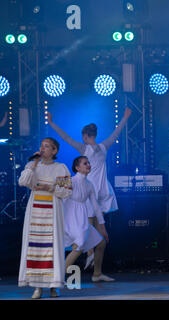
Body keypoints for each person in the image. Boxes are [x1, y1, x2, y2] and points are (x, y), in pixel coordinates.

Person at [47, 108, 131, 269]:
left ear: (85, 136)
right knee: (92, 224)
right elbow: (117, 132)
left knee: (89, 224)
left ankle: (91, 256)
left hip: (88, 189)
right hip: (102, 189)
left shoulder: (84, 149)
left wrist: (52, 123)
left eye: (83, 137)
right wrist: (125, 117)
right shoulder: (104, 146)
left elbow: (66, 138)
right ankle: (92, 257)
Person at [18, 137, 72, 299]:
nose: (42, 149)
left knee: (53, 247)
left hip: (53, 211)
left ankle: (54, 286)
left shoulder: (60, 168)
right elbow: (22, 182)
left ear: (54, 151)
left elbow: (67, 192)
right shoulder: (32, 166)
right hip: (35, 212)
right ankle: (37, 287)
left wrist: (50, 187)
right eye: (41, 146)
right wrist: (34, 164)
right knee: (35, 248)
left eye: (47, 147)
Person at [63, 156, 114, 282]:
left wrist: (102, 227)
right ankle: (59, 275)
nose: (89, 165)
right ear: (77, 167)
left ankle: (97, 274)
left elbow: (96, 207)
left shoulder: (89, 184)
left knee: (101, 242)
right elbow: (58, 195)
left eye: (89, 163)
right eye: (85, 163)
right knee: (79, 245)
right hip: (71, 216)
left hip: (82, 217)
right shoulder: (69, 180)